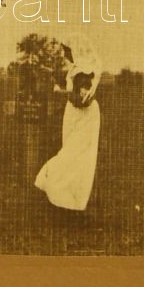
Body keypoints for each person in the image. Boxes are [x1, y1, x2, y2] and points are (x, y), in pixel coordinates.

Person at [34, 43, 102, 211]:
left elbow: (82, 100)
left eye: (68, 52)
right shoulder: (76, 69)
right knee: (74, 154)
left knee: (75, 154)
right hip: (75, 117)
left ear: (76, 52)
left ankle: (68, 193)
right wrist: (51, 74)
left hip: (84, 118)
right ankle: (69, 194)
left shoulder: (84, 73)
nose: (65, 56)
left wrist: (60, 92)